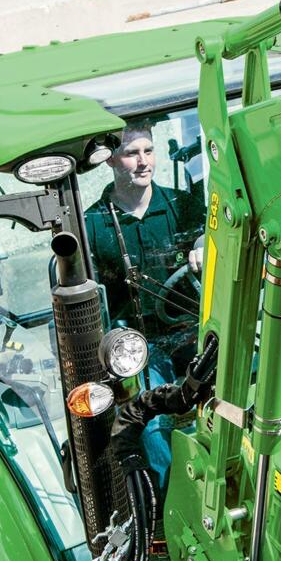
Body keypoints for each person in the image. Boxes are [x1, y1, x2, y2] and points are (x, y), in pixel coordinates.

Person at [85, 122, 204, 489]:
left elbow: (209, 233)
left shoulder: (183, 207)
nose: (143, 162)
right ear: (111, 161)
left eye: (148, 151)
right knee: (153, 426)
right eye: (131, 153)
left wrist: (203, 245)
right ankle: (173, 498)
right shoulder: (93, 223)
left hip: (191, 333)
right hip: (138, 347)